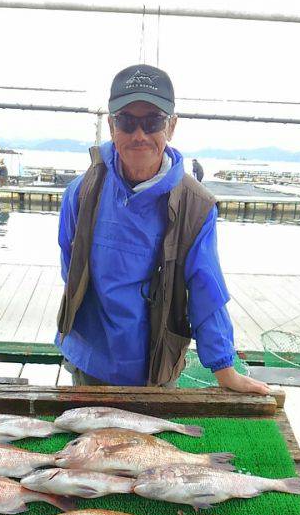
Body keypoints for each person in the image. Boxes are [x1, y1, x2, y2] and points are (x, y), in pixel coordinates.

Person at [56, 63, 269, 395]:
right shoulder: (80, 193)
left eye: (152, 121)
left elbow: (206, 289)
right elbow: (69, 267)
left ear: (171, 126)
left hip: (156, 367)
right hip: (90, 360)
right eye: (127, 121)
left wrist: (225, 368)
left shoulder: (197, 207)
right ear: (111, 126)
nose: (139, 135)